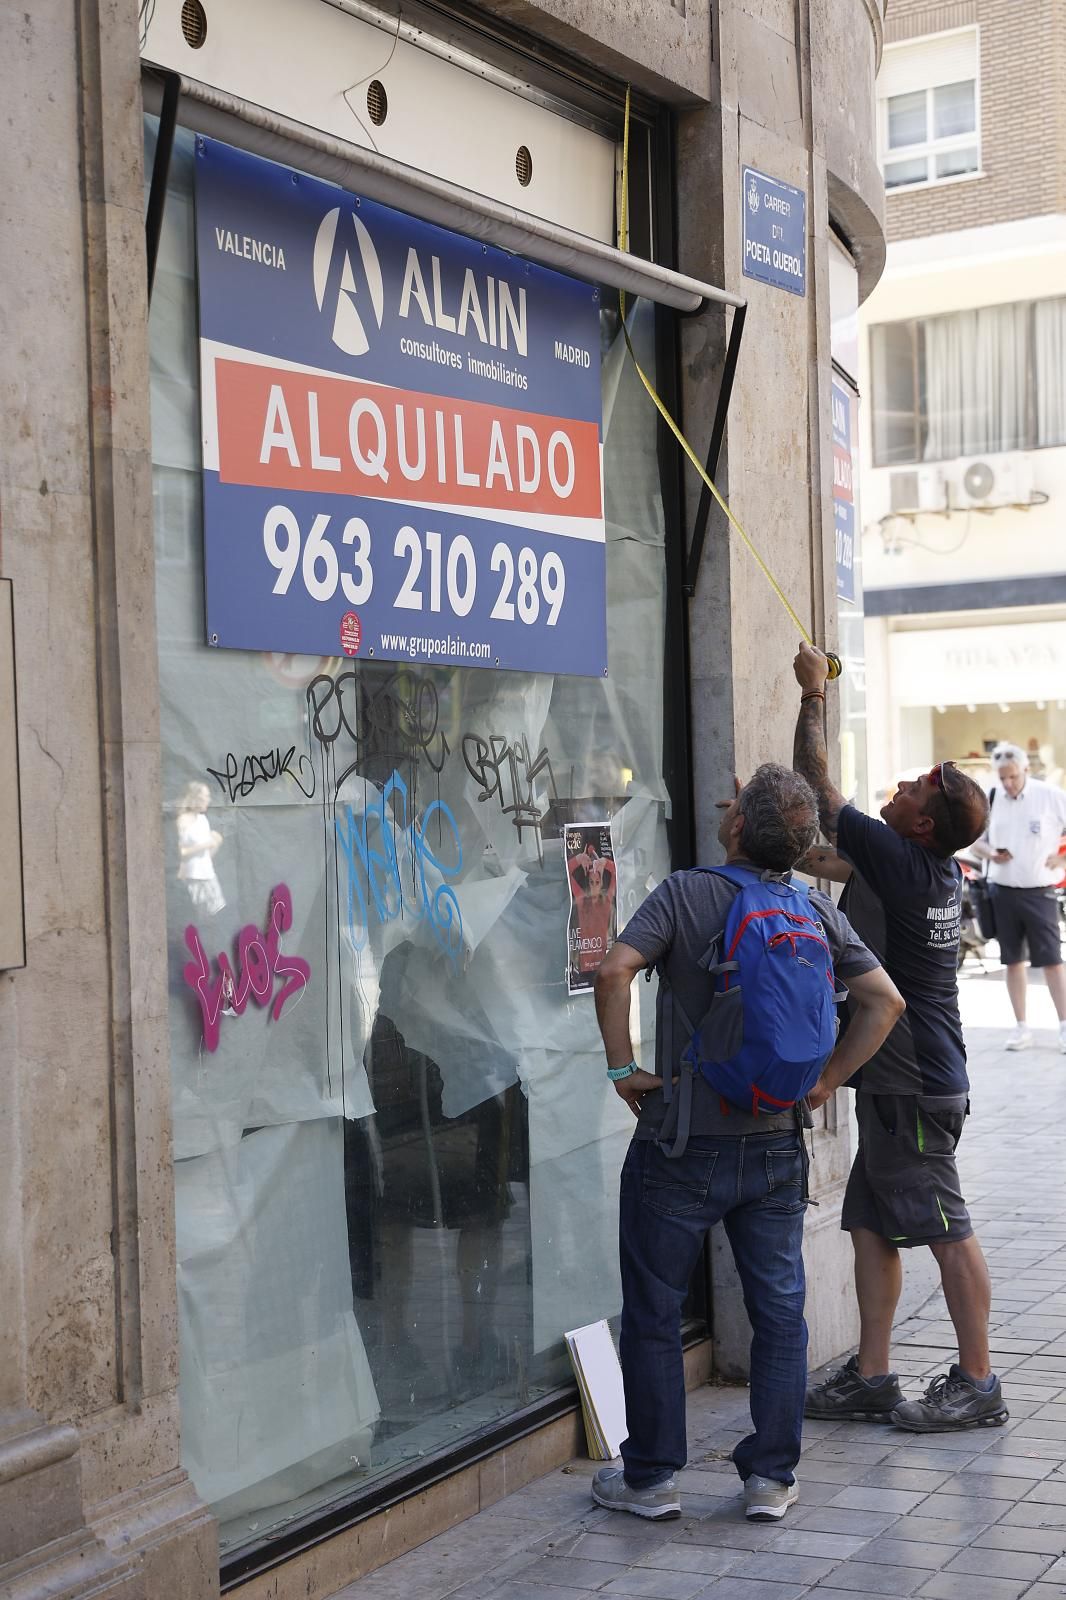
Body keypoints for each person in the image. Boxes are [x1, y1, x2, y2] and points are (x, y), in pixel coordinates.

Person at [590, 764, 904, 1523]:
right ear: (802, 849)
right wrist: (825, 1081)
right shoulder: (814, 909)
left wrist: (625, 1067)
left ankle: (652, 1479)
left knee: (657, 1309)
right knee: (779, 1310)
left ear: (735, 828)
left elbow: (614, 971)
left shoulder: (685, 894)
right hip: (774, 1146)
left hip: (680, 1144)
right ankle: (769, 1479)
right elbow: (884, 1002)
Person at [792, 643, 1008, 1432]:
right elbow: (825, 853)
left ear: (922, 825)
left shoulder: (908, 860)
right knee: (871, 1223)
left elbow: (819, 792)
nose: (906, 783)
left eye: (920, 786)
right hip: (900, 1081)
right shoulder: (919, 868)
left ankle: (979, 1384)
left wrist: (813, 695)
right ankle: (874, 1376)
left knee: (948, 1229)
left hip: (913, 1081)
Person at [971, 743, 1066, 1053]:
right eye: (1003, 778)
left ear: (1025, 770)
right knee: (1013, 961)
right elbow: (976, 843)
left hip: (1040, 891)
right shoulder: (992, 797)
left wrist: (1061, 860)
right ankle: (1021, 1026)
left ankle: (1064, 1026)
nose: (1008, 783)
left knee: (1052, 962)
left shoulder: (1049, 795)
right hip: (1003, 891)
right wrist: (992, 854)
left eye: (1013, 776)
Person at [176, 781, 226, 918]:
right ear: (196, 797)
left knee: (217, 914)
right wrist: (206, 845)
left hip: (208, 875)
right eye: (206, 796)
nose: (209, 800)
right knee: (202, 917)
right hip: (194, 877)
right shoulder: (183, 820)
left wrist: (215, 843)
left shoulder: (203, 819)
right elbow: (183, 853)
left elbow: (206, 854)